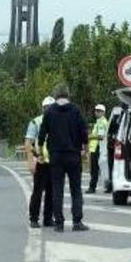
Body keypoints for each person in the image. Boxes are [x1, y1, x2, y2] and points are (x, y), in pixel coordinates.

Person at [38, 83, 89, 232]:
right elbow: (83, 132)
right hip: (73, 156)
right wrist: (85, 150)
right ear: (68, 94)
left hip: (56, 156)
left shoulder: (50, 111)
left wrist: (41, 152)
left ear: (55, 95)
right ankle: (77, 222)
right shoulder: (75, 110)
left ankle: (59, 223)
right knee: (76, 189)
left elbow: (42, 135)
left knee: (57, 189)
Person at [24, 96, 55, 229]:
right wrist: (31, 161)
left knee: (52, 192)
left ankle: (48, 218)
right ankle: (34, 218)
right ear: (43, 108)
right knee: (38, 191)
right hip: (41, 161)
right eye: (46, 107)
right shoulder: (36, 122)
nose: (48, 110)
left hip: (55, 162)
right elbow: (28, 143)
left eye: (51, 107)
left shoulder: (59, 121)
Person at [86, 104, 109, 194]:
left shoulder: (102, 122)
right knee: (101, 169)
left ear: (103, 112)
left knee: (94, 169)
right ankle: (108, 186)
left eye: (99, 111)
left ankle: (92, 187)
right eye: (96, 111)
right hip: (96, 148)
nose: (97, 112)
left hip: (97, 147)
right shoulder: (99, 121)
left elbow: (101, 136)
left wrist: (90, 137)